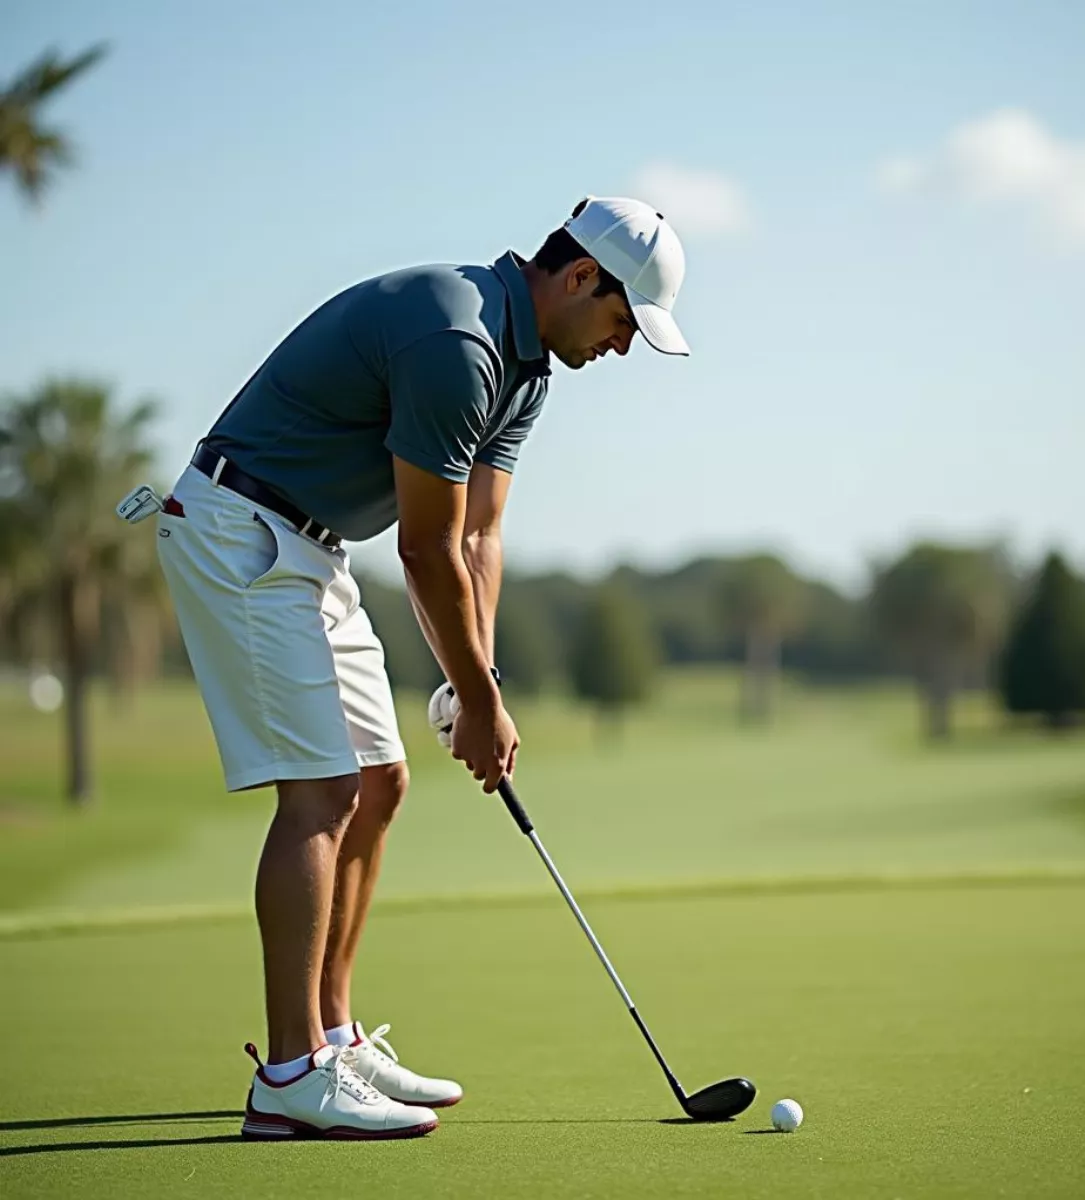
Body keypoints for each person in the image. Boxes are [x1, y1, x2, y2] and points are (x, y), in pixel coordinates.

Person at [154, 196, 690, 1140]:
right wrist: (480, 703)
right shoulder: (461, 340)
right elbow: (424, 549)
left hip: (311, 547)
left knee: (380, 779)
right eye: (622, 321)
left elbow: (480, 537)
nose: (623, 348)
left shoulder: (526, 375)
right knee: (320, 791)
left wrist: (469, 681)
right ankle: (289, 1073)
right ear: (577, 279)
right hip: (239, 527)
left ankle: (334, 1037)